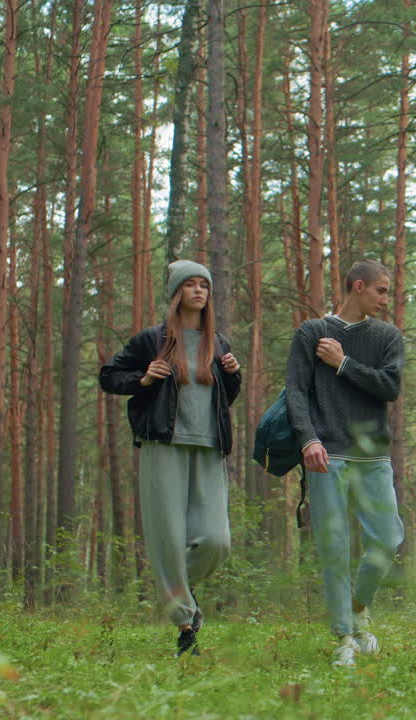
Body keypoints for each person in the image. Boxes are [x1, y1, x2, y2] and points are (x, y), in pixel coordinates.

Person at [99, 260, 241, 657]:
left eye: (204, 286)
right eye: (191, 285)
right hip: (163, 444)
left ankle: (181, 586)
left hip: (210, 447)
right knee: (167, 538)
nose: (199, 292)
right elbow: (109, 376)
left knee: (217, 539)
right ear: (177, 292)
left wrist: (232, 374)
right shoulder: (152, 340)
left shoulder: (220, 343)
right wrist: (143, 378)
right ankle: (185, 626)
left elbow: (224, 399)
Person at [285, 259, 406, 667]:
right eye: (382, 290)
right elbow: (296, 393)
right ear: (359, 286)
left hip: (372, 456)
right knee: (333, 548)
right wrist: (308, 440)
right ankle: (345, 639)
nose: (386, 299)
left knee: (387, 539)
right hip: (326, 453)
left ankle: (358, 610)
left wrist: (343, 363)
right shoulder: (312, 332)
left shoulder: (388, 336)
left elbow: (390, 386)